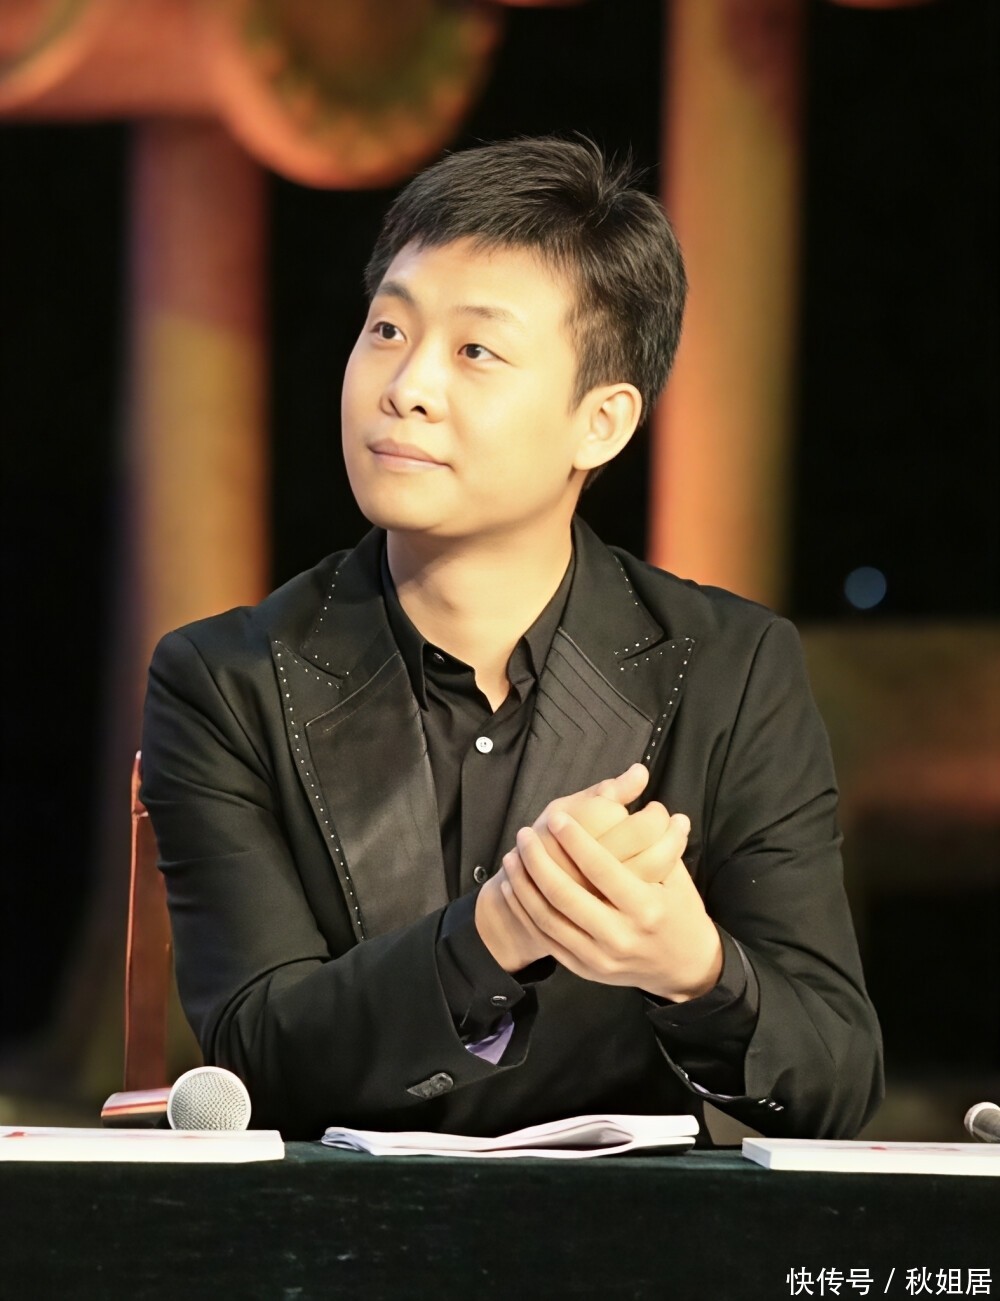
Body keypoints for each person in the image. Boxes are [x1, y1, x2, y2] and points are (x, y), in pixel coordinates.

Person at [141, 136, 883, 1142]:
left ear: (600, 423)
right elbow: (253, 1055)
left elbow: (837, 1079)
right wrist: (495, 932)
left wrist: (695, 969)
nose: (406, 385)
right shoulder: (226, 679)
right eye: (388, 329)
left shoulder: (731, 669)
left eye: (474, 351)